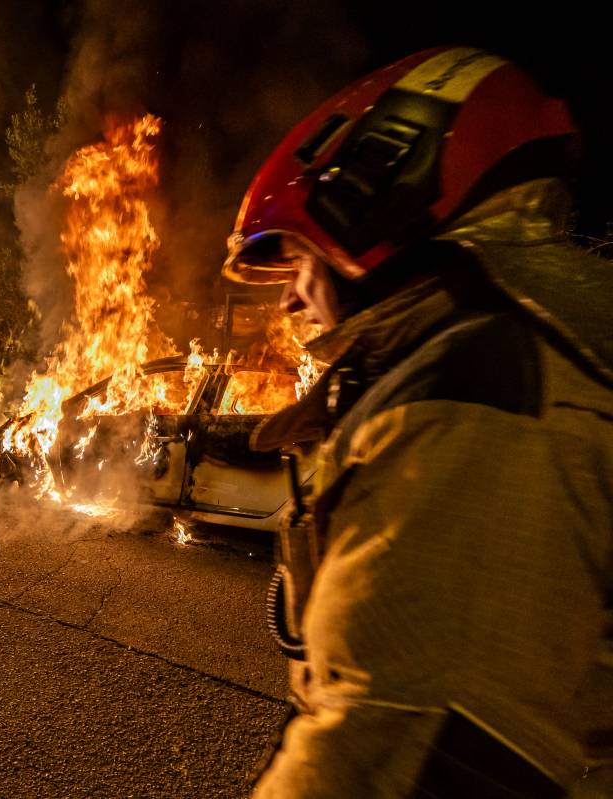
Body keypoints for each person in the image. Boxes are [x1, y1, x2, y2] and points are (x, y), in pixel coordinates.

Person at [221, 47, 613, 797]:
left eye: (299, 258)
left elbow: (398, 749)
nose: (288, 302)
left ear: (377, 201)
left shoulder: (475, 402)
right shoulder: (512, 355)